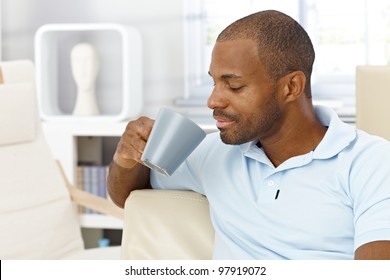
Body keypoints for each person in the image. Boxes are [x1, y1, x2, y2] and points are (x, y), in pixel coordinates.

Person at [107, 10, 390, 259]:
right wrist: (126, 159)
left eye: (234, 86)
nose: (213, 101)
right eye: (214, 82)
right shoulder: (214, 154)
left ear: (291, 87)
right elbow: (126, 195)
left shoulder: (371, 163)